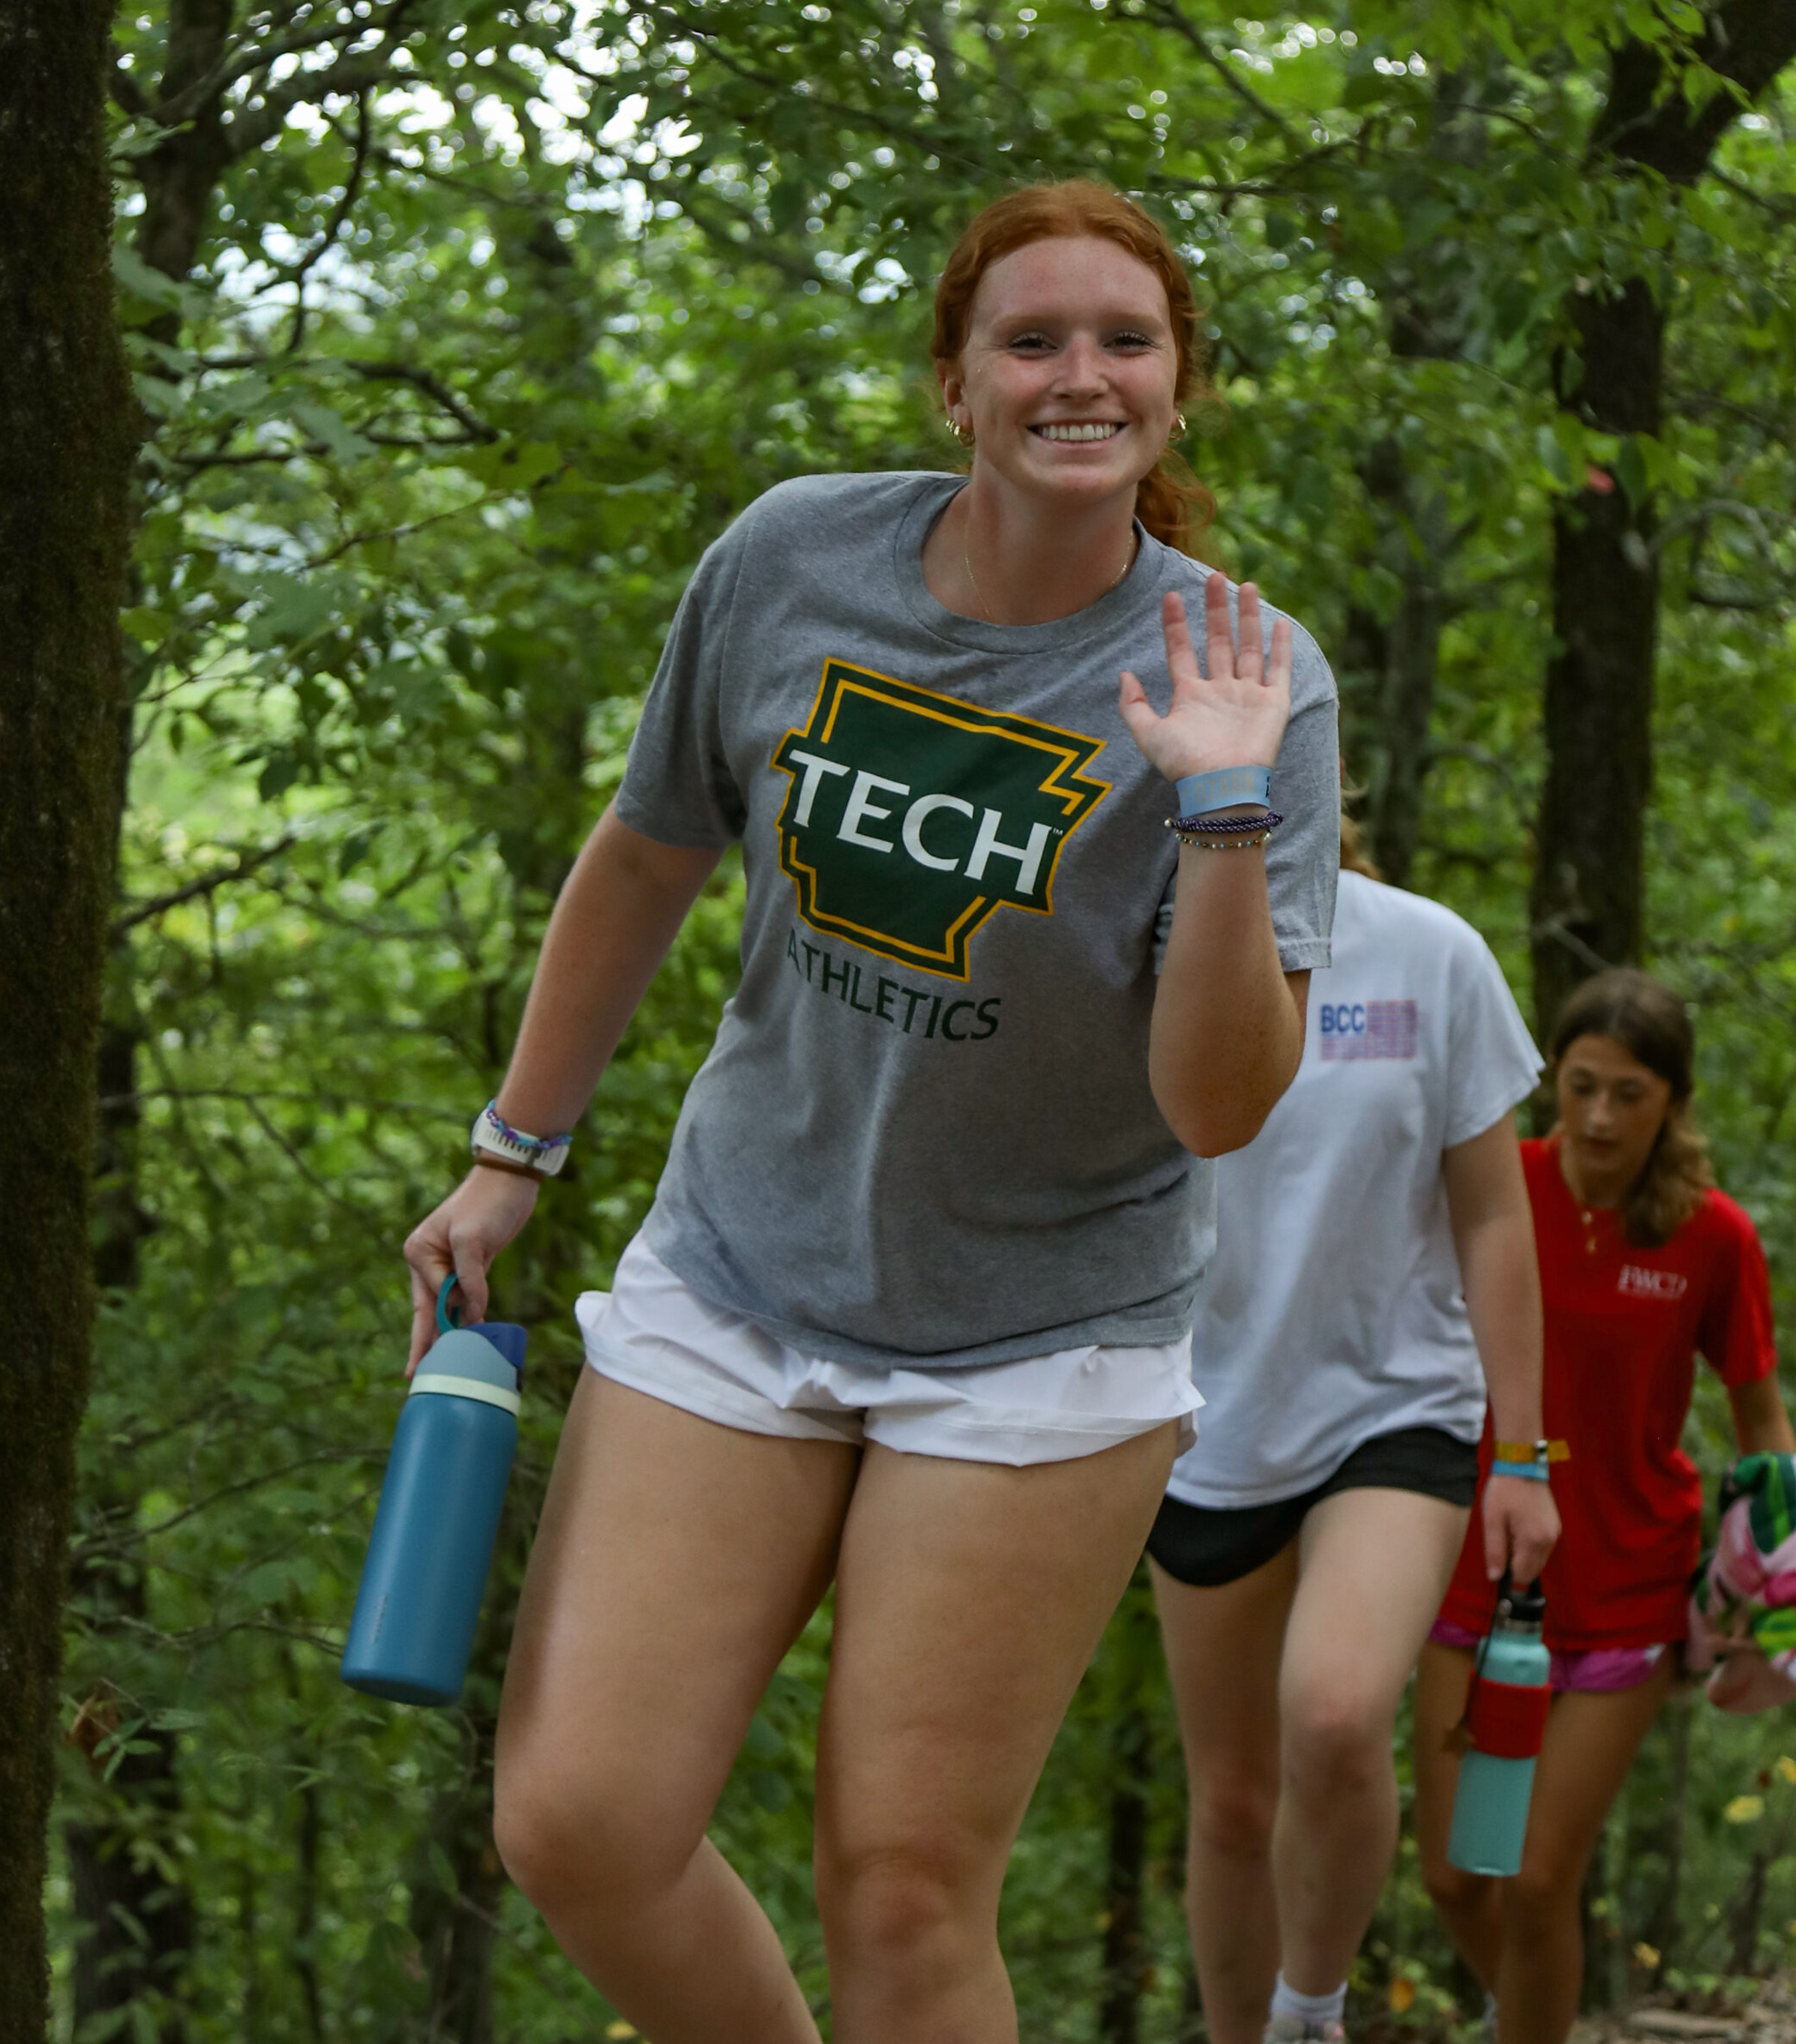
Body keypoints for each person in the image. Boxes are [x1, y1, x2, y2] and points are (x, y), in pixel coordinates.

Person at [399, 179, 1342, 2044]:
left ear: (1180, 387)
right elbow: (649, 848)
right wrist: (515, 1151)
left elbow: (1219, 1105)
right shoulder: (789, 563)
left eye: (1125, 341)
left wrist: (1221, 811)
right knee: (579, 1818)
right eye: (1033, 339)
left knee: (904, 1890)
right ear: (953, 381)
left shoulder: (1252, 675)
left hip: (1039, 1334)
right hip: (744, 1269)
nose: (1081, 374)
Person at [1148, 817, 1560, 2044]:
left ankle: (1309, 2014)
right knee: (1227, 1800)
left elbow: (1492, 1217)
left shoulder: (1432, 957)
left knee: (1333, 1714)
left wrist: (1524, 1456)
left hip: (1396, 1407)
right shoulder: (1138, 947)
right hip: (1200, 1421)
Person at [1413, 969, 1796, 2044]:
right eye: (1580, 1085)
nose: (1598, 1116)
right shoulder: (1495, 1189)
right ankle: (1546, 2025)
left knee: (1539, 1878)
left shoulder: (1714, 1237)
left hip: (1630, 1580)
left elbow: (1761, 1419)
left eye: (1629, 1093)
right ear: (1549, 1085)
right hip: (1466, 1568)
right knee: (1453, 1877)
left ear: (1672, 1101)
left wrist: (1775, 1582)